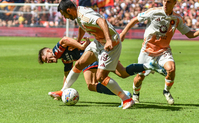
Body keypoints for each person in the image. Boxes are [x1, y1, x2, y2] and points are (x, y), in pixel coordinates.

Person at [55, 0, 168, 109]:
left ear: (69, 10)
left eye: (64, 14)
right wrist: (78, 40)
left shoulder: (83, 15)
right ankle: (62, 91)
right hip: (99, 42)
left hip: (110, 44)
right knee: (80, 64)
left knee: (101, 77)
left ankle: (127, 99)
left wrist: (108, 40)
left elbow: (101, 21)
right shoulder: (79, 15)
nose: (65, 17)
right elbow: (82, 25)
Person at [120, 0, 199, 105]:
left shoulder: (177, 18)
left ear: (174, 3)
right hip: (147, 50)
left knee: (171, 69)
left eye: (168, 2)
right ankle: (136, 93)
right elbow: (135, 20)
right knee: (140, 77)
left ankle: (166, 91)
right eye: (164, 1)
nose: (165, 4)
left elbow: (189, 34)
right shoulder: (153, 12)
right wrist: (123, 33)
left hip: (164, 51)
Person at [38, 36, 166, 108]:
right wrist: (63, 90)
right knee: (123, 73)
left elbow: (65, 40)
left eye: (46, 58)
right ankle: (147, 65)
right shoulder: (64, 59)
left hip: (92, 55)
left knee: (91, 85)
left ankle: (124, 95)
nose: (48, 61)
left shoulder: (56, 51)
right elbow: (67, 75)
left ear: (49, 51)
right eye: (46, 62)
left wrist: (81, 46)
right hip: (102, 53)